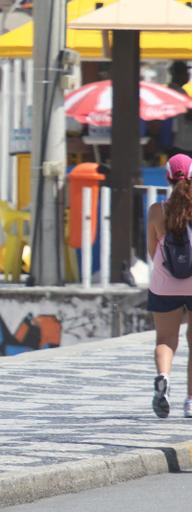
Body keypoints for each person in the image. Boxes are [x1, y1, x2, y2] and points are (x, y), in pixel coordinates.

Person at [146, 153, 192, 419]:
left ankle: (163, 377)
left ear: (167, 178)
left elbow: (153, 251)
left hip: (165, 286)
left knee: (165, 340)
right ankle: (190, 402)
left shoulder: (156, 210)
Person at [168, 61, 192, 159]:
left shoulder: (168, 91)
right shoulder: (179, 93)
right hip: (183, 144)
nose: (188, 75)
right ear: (178, 75)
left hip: (174, 142)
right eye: (186, 73)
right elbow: (190, 114)